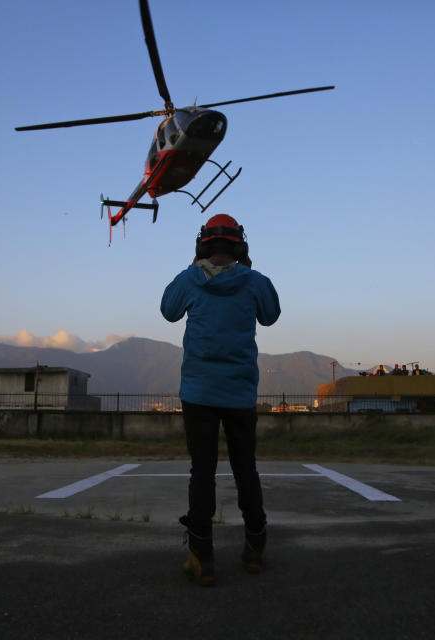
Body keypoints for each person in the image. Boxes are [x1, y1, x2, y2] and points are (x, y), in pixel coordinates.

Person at [161, 213, 281, 586]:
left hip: (198, 392)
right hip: (240, 392)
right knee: (246, 468)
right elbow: (271, 315)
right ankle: (255, 548)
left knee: (203, 470)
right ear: (240, 246)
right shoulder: (255, 282)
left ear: (202, 245)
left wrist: (192, 268)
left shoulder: (190, 279)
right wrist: (248, 270)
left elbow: (168, 311)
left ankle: (201, 555)